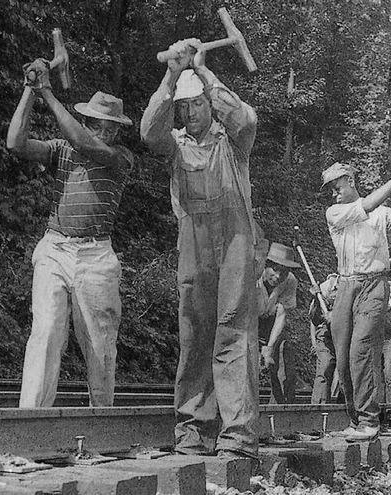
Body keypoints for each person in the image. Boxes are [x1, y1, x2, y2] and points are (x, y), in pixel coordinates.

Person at [141, 39, 260, 459]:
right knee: (194, 334)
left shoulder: (235, 141)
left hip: (234, 242)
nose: (190, 113)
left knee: (233, 331)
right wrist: (172, 73)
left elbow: (243, 117)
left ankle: (238, 434)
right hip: (193, 242)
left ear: (209, 104)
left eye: (197, 105)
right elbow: (147, 132)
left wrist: (204, 71)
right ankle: (193, 429)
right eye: (184, 107)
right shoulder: (175, 143)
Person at [7, 58, 135, 408]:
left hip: (97, 256)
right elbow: (15, 144)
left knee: (99, 344)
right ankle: (31, 420)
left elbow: (87, 145)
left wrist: (47, 92)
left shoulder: (119, 157)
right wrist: (29, 90)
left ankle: (100, 419)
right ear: (86, 121)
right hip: (54, 248)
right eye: (99, 126)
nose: (105, 134)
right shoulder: (61, 149)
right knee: (45, 332)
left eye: (111, 128)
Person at [320, 158, 391, 442]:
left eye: (335, 186)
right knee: (342, 357)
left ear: (350, 181)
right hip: (345, 285)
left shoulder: (382, 213)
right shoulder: (335, 212)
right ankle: (356, 418)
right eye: (330, 189)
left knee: (360, 351)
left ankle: (369, 420)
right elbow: (365, 207)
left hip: (374, 286)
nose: (333, 193)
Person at [257, 242, 300, 404]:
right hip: (249, 322)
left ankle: (282, 404)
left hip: (272, 321)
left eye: (284, 272)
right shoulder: (252, 276)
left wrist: (269, 347)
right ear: (266, 265)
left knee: (283, 350)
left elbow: (281, 314)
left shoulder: (290, 281)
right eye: (275, 270)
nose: (278, 277)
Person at [309, 276, 338, 404]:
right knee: (325, 367)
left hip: (349, 332)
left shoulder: (360, 286)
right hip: (327, 335)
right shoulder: (327, 286)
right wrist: (316, 299)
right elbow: (314, 319)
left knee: (347, 373)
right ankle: (318, 408)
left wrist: (336, 315)